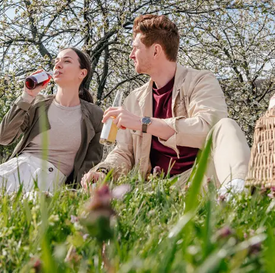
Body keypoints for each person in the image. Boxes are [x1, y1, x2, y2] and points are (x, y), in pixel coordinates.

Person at [81, 15, 250, 198]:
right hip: (156, 188)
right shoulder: (134, 99)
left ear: (155, 51)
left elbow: (208, 126)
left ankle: (237, 196)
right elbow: (124, 151)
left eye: (135, 48)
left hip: (202, 178)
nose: (131, 55)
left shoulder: (201, 80)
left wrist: (143, 123)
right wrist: (104, 172)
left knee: (226, 126)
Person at [0, 48, 103, 205]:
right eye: (56, 60)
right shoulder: (38, 105)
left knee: (24, 207)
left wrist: (81, 195)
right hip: (17, 168)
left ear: (82, 73)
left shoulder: (94, 115)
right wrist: (27, 97)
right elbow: (4, 137)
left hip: (51, 178)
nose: (58, 64)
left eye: (66, 61)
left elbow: (92, 161)